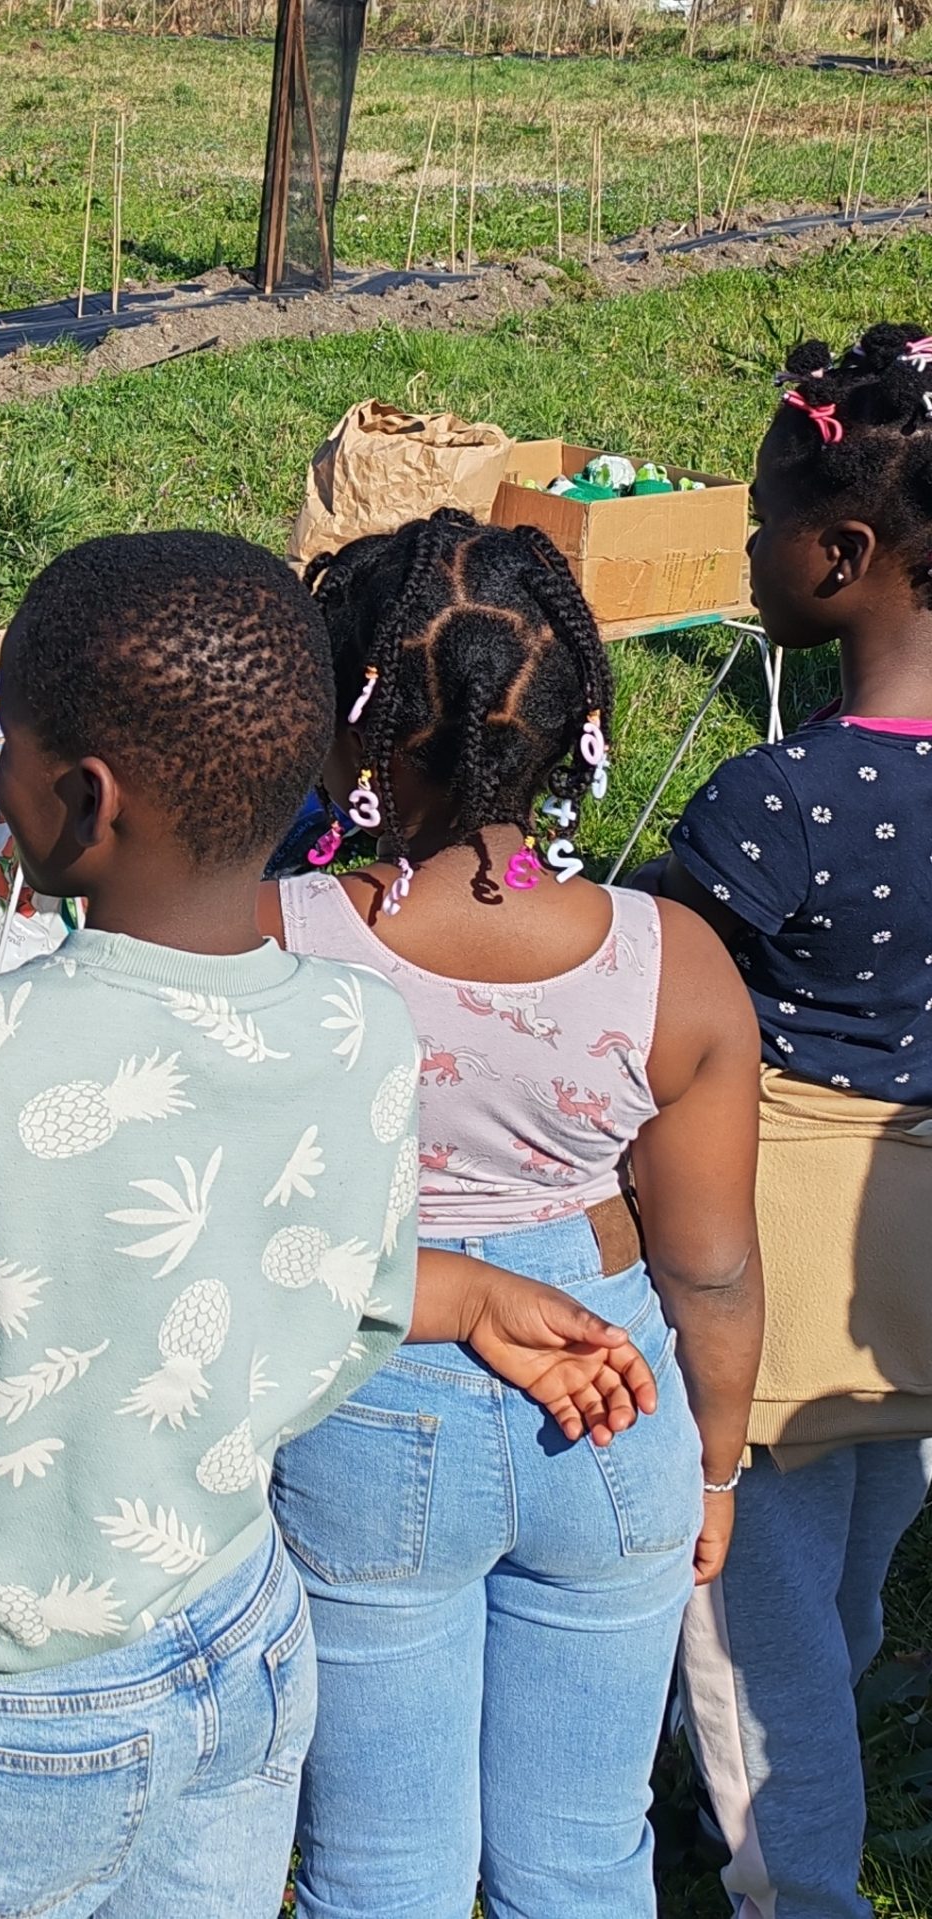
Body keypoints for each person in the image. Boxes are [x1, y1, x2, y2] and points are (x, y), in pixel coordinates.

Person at [0, 532, 657, 1919]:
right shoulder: (356, 1024)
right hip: (247, 1643)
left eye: (7, 751)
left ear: (83, 803)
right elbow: (356, 1317)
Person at [262, 507, 764, 1919]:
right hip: (612, 1399)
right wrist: (714, 1467)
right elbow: (712, 1266)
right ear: (578, 724)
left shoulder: (276, 945)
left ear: (345, 729)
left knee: (379, 1872)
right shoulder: (677, 961)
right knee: (586, 1860)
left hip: (368, 1387)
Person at [658, 324, 932, 1919]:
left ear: (838, 553)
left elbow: (663, 992)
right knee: (853, 1566)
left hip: (778, 1273)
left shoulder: (781, 804)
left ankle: (797, 1887)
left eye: (761, 519)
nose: (748, 547)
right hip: (913, 1291)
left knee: (756, 1645)